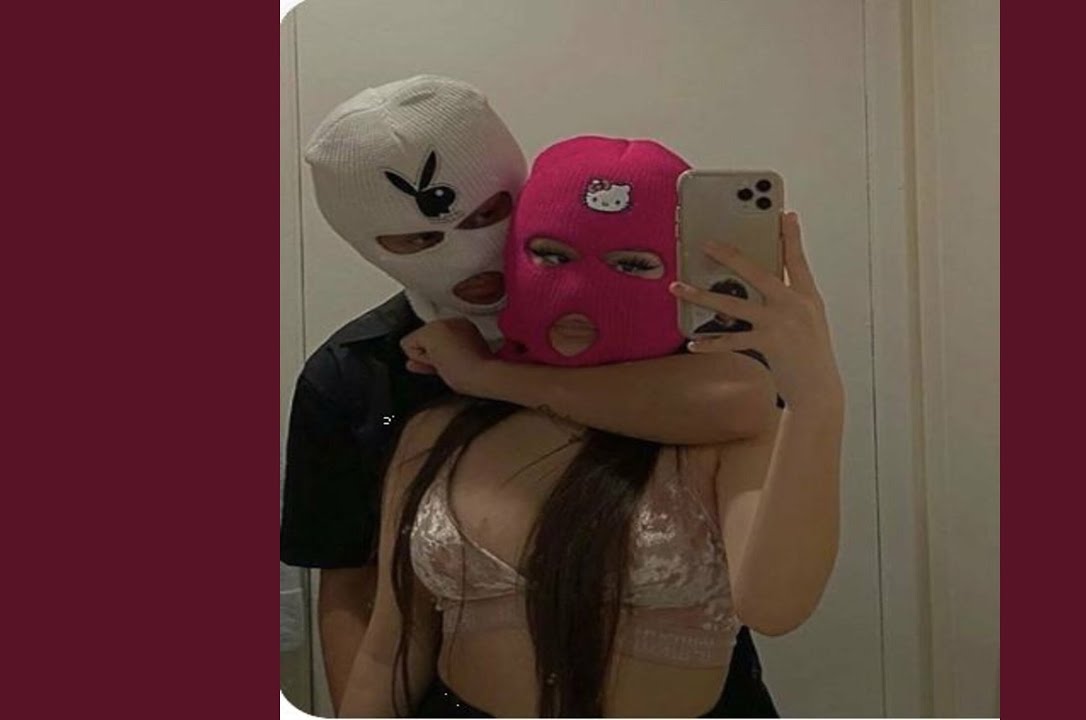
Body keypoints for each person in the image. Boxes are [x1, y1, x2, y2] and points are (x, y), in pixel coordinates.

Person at [283, 76, 779, 713]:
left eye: (487, 214)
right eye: (419, 240)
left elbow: (744, 401)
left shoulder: (676, 322)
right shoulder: (354, 373)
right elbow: (352, 583)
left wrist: (488, 377)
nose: (470, 254)